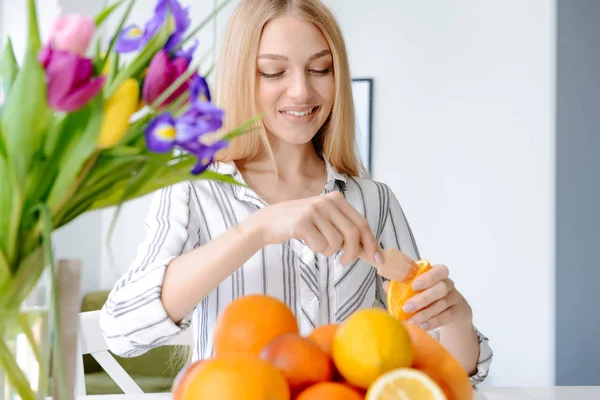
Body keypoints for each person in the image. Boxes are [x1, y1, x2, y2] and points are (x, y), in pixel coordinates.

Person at [99, 0, 492, 386]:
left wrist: (458, 322)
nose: (302, 91)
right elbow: (121, 330)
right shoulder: (196, 192)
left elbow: (435, 373)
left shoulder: (374, 201)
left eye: (320, 69)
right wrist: (260, 227)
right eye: (273, 72)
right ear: (242, 77)